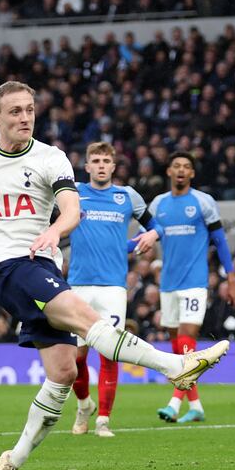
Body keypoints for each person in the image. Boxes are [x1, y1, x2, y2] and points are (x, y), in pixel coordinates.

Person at [0, 81, 229, 470]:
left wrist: (55, 231)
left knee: (62, 373)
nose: (25, 117)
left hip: (43, 263)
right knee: (87, 318)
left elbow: (72, 209)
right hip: (8, 266)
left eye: (29, 110)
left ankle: (11, 460)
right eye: (15, 111)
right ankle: (176, 365)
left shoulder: (51, 157)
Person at [68, 141, 162, 438]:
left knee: (110, 353)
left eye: (105, 161)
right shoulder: (74, 194)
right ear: (86, 166)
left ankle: (103, 420)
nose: (100, 165)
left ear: (113, 166)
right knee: (75, 358)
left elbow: (155, 224)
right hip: (78, 285)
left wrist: (151, 236)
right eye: (95, 160)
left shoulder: (126, 196)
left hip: (112, 288)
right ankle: (84, 406)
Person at [145, 151, 235, 424]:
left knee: (187, 342)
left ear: (192, 174)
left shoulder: (203, 202)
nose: (180, 171)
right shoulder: (158, 204)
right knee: (179, 349)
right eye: (176, 166)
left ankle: (174, 403)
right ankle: (196, 406)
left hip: (194, 283)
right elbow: (145, 236)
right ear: (168, 171)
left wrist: (231, 277)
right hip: (168, 284)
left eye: (186, 167)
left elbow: (221, 241)